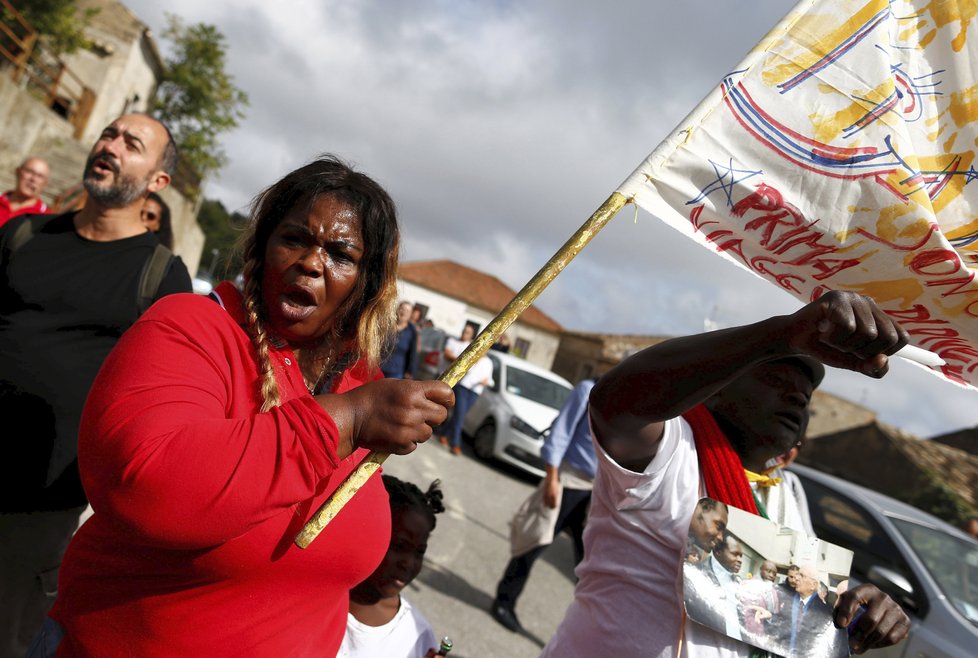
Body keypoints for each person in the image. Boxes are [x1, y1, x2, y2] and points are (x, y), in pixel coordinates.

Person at [43, 155, 454, 657]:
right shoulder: (194, 328)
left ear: (366, 285)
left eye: (341, 254)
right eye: (295, 238)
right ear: (262, 248)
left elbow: (336, 578)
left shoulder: (362, 383)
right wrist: (346, 420)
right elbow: (146, 487)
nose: (311, 262)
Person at [542, 291, 912, 657]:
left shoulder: (787, 491)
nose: (798, 398)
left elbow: (800, 593)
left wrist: (863, 605)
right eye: (776, 381)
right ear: (714, 391)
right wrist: (778, 335)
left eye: (805, 396)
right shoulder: (673, 450)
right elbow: (616, 403)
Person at [0, 114, 191, 658]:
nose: (111, 146)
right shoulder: (22, 234)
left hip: (40, 504)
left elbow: (162, 406)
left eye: (132, 144)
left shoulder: (162, 278)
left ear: (158, 181)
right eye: (109, 134)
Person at [491, 377, 597, 632]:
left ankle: (584, 630)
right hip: (567, 482)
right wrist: (552, 478)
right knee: (533, 543)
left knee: (590, 567)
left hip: (596, 493)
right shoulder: (589, 390)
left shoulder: (631, 406)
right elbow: (561, 433)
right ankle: (504, 602)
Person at [340, 475, 445, 658]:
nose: (409, 563)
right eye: (399, 546)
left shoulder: (416, 634)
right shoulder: (320, 598)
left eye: (419, 552)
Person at [438, 350, 492, 456]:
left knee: (458, 416)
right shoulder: (472, 355)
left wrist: (486, 381)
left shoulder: (489, 363)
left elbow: (490, 380)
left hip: (475, 392)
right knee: (460, 416)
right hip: (463, 388)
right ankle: (455, 444)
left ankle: (444, 434)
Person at [785, 565, 845, 658]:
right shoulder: (787, 600)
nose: (796, 578)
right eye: (797, 575)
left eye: (801, 575)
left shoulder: (827, 614)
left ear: (813, 585)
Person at [0, 157, 49, 228]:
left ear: (45, 183)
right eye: (30, 171)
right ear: (17, 171)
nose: (33, 179)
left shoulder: (45, 218)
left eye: (40, 176)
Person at [381, 301, 419, 379]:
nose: (404, 312)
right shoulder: (386, 325)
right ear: (397, 309)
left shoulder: (412, 331)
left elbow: (413, 353)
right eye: (402, 309)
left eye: (407, 311)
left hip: (395, 372)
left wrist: (410, 371)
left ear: (410, 315)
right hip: (377, 367)